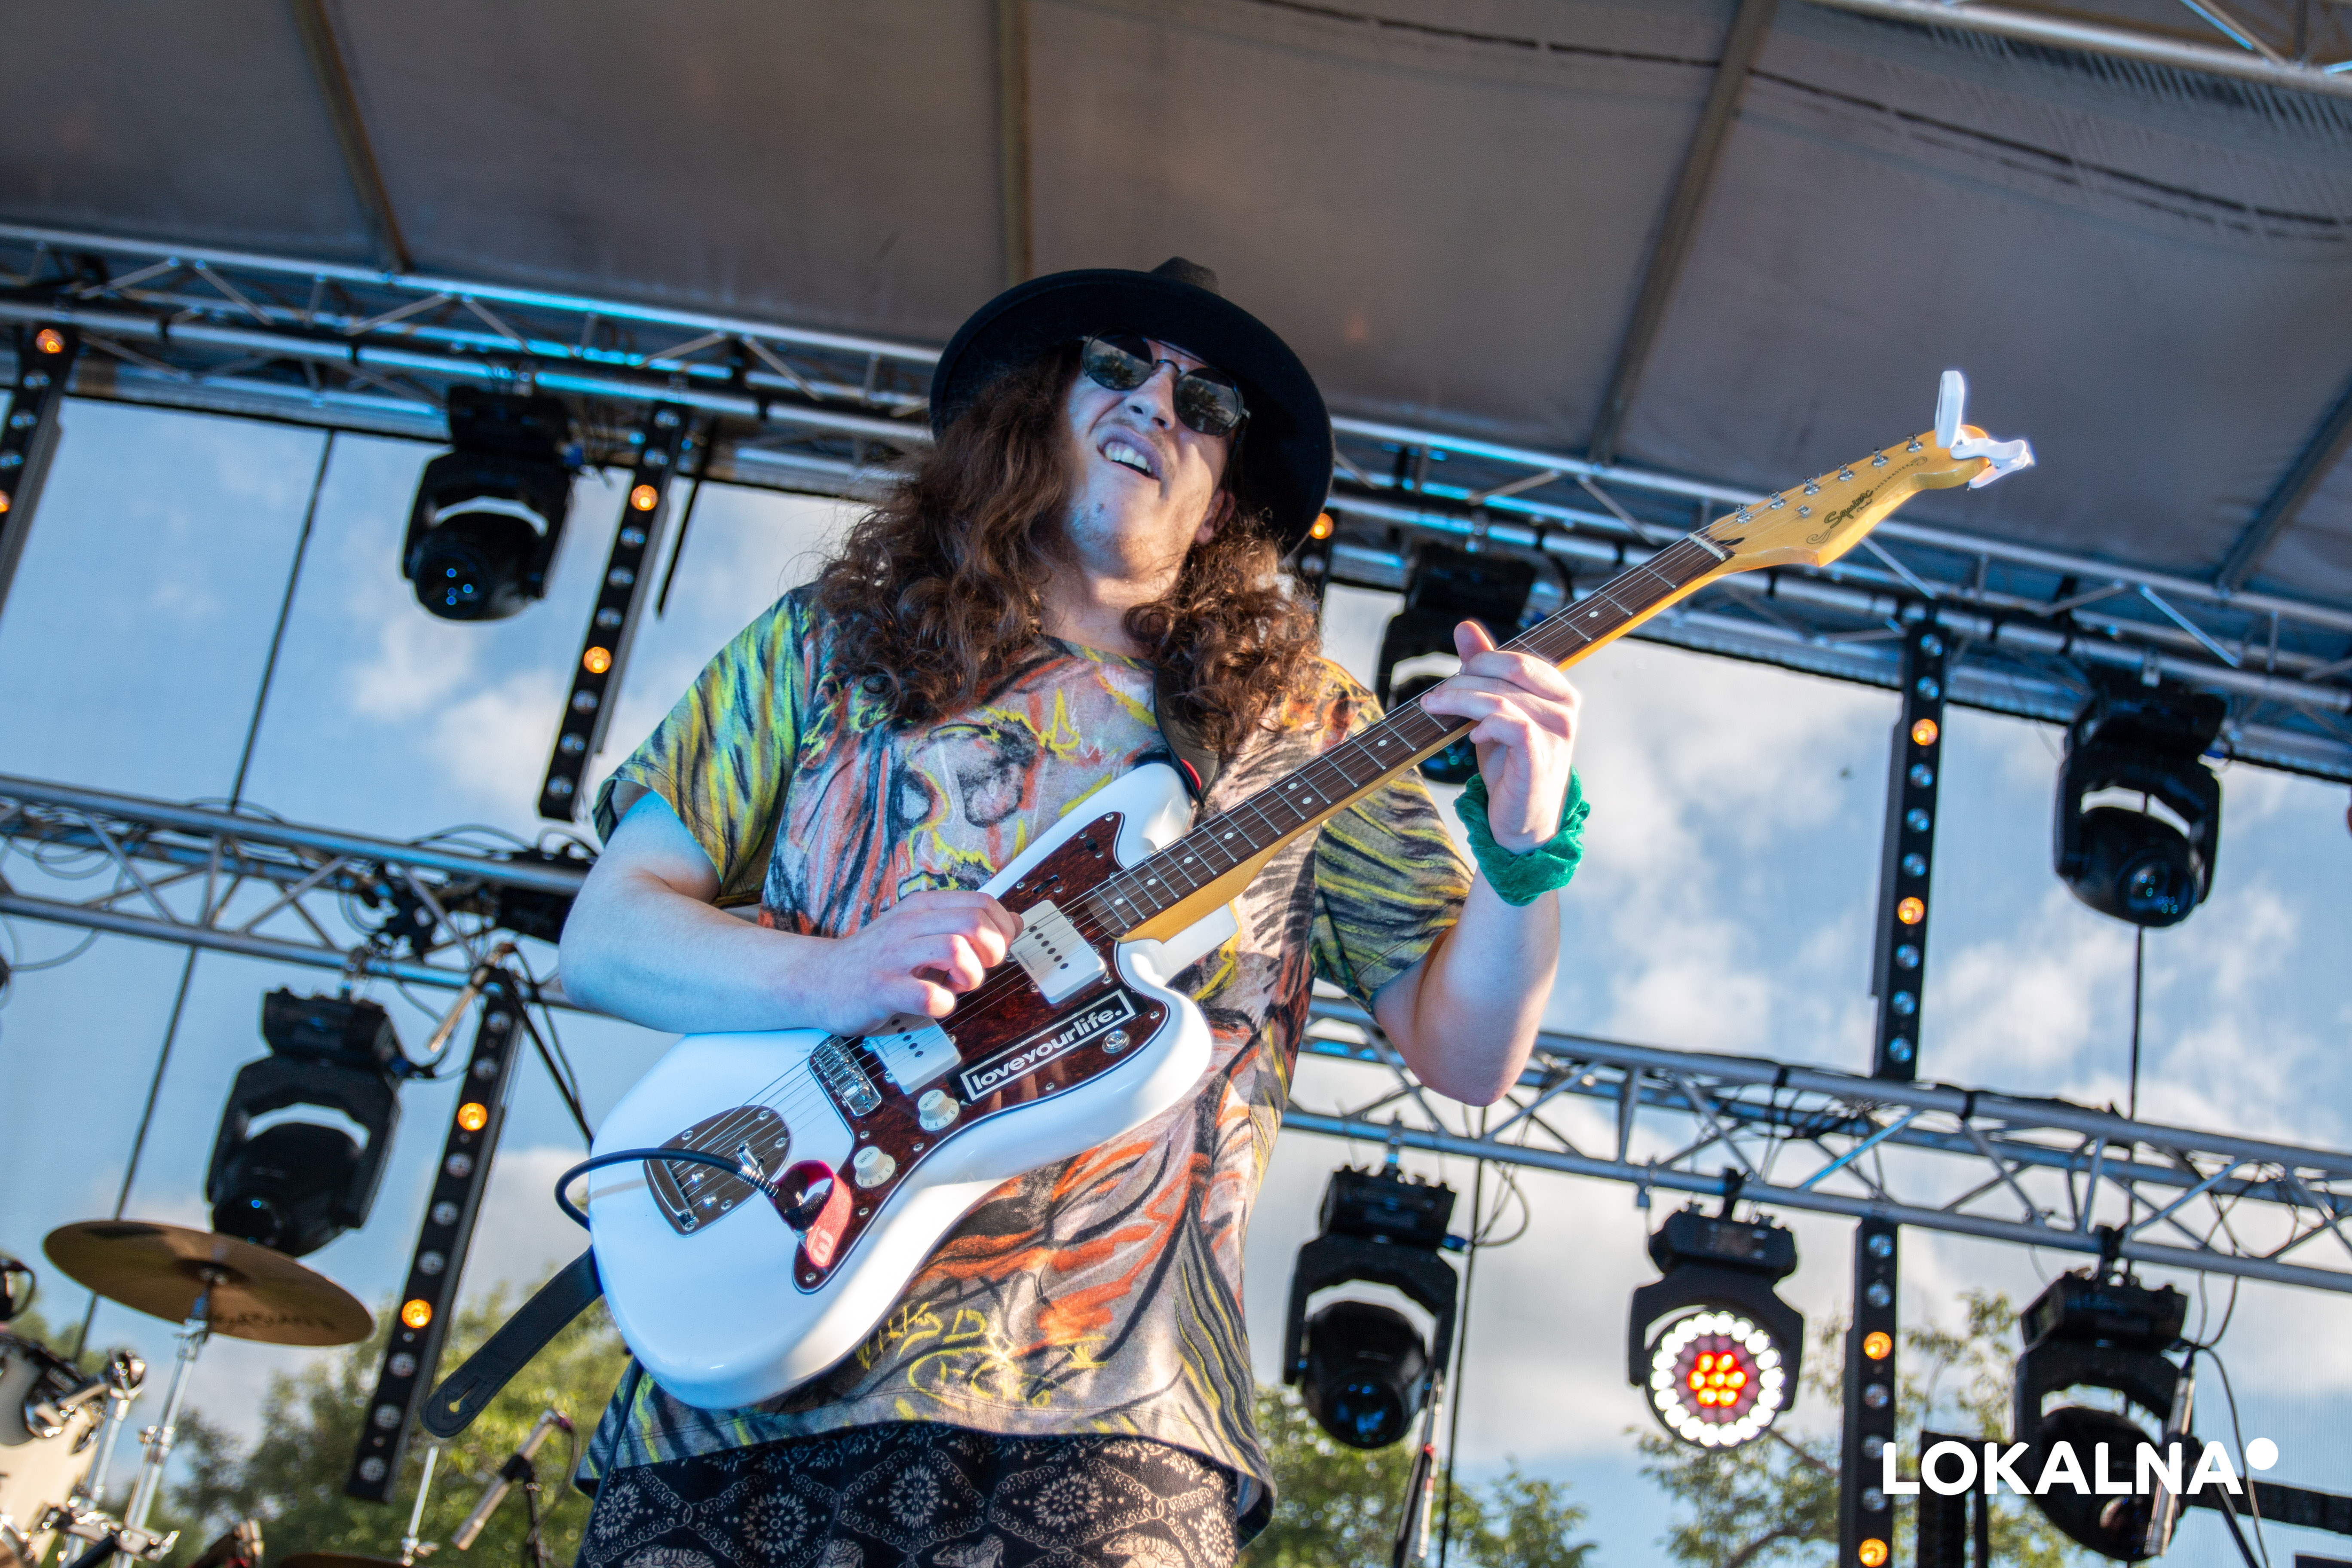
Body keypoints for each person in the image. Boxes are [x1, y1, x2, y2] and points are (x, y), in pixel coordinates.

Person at [557, 258, 1589, 1568]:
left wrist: (1525, 854)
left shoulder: (1311, 727)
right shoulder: (825, 643)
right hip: (737, 1387)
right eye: (1117, 367)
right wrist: (836, 975)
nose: (1157, 405)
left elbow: (1468, 1054)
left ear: (1222, 507)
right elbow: (606, 935)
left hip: (1112, 1421)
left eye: (1205, 406)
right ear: (1034, 412)